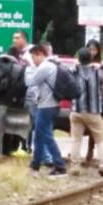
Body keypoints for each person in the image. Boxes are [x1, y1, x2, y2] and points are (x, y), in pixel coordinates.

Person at [26, 45, 67, 176]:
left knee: (42, 136)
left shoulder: (45, 67)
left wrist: (30, 70)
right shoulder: (53, 65)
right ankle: (39, 165)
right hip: (51, 105)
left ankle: (52, 165)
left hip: (46, 106)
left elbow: (30, 82)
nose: (33, 61)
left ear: (39, 54)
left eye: (33, 57)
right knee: (42, 135)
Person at [70, 48, 103, 177]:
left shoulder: (74, 71)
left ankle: (75, 166)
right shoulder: (97, 71)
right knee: (100, 139)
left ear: (79, 58)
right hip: (93, 110)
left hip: (77, 110)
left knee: (76, 140)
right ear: (91, 58)